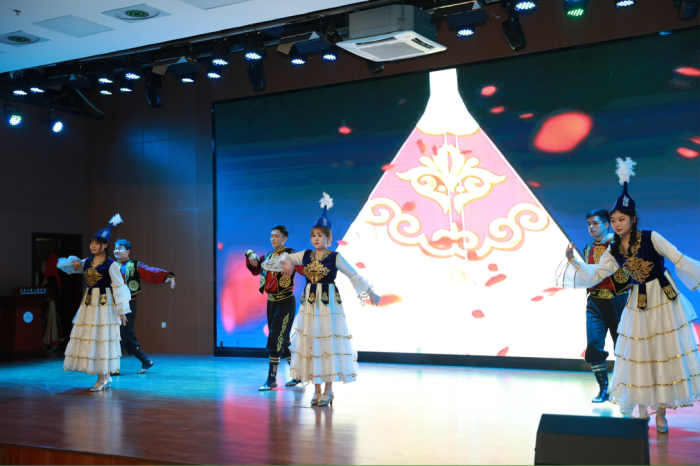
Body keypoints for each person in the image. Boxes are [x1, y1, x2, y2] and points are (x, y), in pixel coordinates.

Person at [560, 158, 700, 432]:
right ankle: (641, 409)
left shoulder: (651, 237)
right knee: (638, 354)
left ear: (633, 219)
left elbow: (679, 259)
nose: (616, 224)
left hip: (663, 298)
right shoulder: (613, 250)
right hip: (638, 300)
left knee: (663, 353)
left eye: (621, 219)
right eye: (613, 220)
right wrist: (574, 262)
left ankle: (661, 414)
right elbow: (599, 273)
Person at [265, 193, 381, 407]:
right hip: (309, 306)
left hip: (328, 306)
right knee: (311, 344)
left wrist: (369, 292)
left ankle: (328, 390)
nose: (316, 238)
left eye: (320, 235)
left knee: (327, 344)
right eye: (313, 235)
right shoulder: (306, 255)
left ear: (329, 238)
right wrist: (288, 261)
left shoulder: (335, 257)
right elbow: (284, 256)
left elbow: (353, 274)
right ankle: (316, 390)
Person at [58, 214, 131, 391]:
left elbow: (119, 286)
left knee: (102, 338)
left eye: (97, 243)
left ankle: (103, 376)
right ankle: (104, 375)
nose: (93, 246)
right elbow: (67, 267)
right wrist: (74, 262)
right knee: (92, 337)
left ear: (105, 246)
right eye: (92, 242)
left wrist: (122, 310)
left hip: (104, 304)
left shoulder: (111, 264)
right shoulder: (87, 262)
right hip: (89, 304)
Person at [580, 209, 631, 403]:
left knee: (623, 346)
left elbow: (627, 272)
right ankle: (603, 388)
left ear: (606, 225)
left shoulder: (619, 244)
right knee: (593, 345)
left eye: (595, 223)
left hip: (618, 300)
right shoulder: (587, 248)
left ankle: (624, 388)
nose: (591, 227)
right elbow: (589, 274)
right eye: (589, 224)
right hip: (595, 302)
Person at [245, 225, 304, 390]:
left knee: (275, 337)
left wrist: (292, 261)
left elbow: (304, 268)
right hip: (271, 302)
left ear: (285, 238)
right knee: (283, 341)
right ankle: (298, 375)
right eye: (271, 236)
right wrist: (249, 253)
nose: (273, 239)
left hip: (286, 301)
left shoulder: (291, 254)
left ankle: (272, 379)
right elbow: (255, 269)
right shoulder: (268, 257)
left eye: (276, 236)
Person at [112, 238, 176, 375]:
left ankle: (114, 367)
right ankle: (145, 360)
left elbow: (150, 271)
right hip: (113, 305)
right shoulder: (111, 266)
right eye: (115, 248)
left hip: (128, 304)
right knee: (126, 335)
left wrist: (168, 275)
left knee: (121, 333)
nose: (116, 250)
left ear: (128, 252)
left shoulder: (134, 265)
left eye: (120, 248)